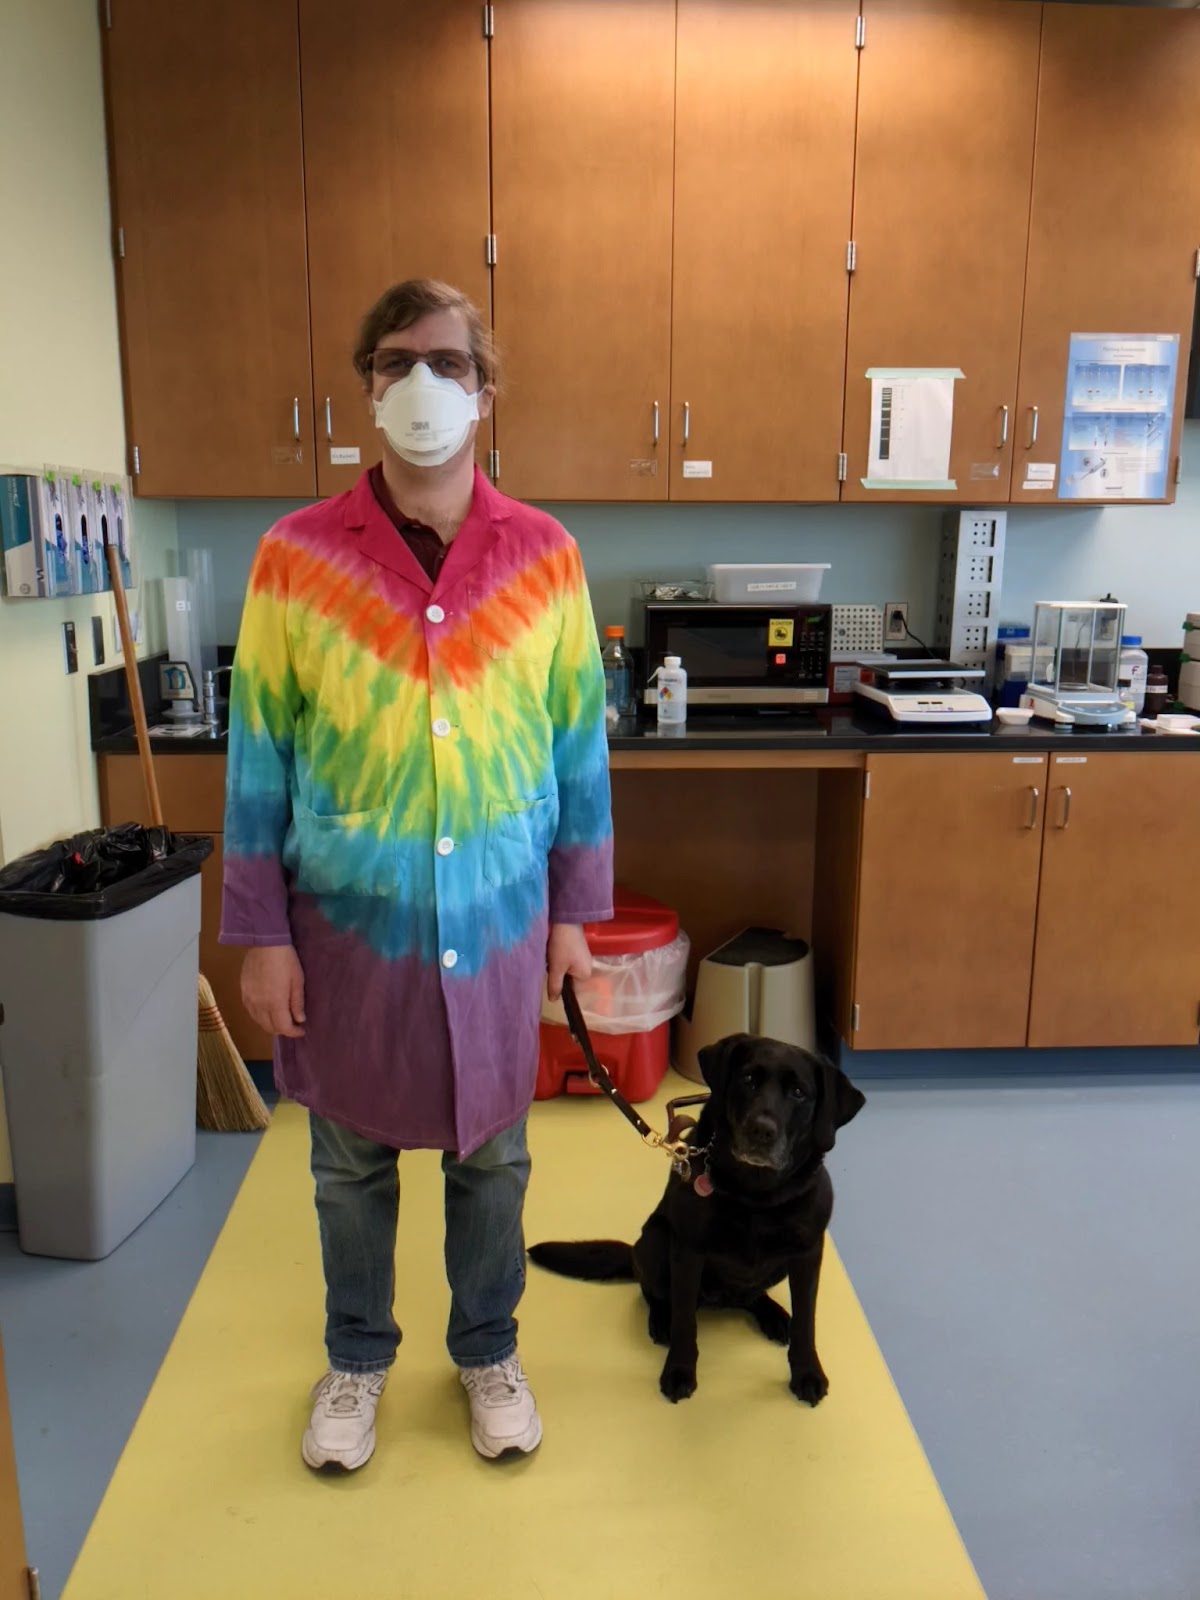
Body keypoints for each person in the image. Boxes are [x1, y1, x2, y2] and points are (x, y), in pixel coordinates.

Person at [220, 279, 613, 1472]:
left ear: (485, 392)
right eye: (395, 362)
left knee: (493, 1155)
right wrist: (260, 931)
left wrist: (575, 916)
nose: (421, 385)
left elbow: (578, 746)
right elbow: (257, 760)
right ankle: (357, 1359)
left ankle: (487, 1345)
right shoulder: (294, 557)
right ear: (367, 390)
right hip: (347, 928)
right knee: (348, 1164)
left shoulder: (544, 555)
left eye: (446, 362)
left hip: (496, 921)